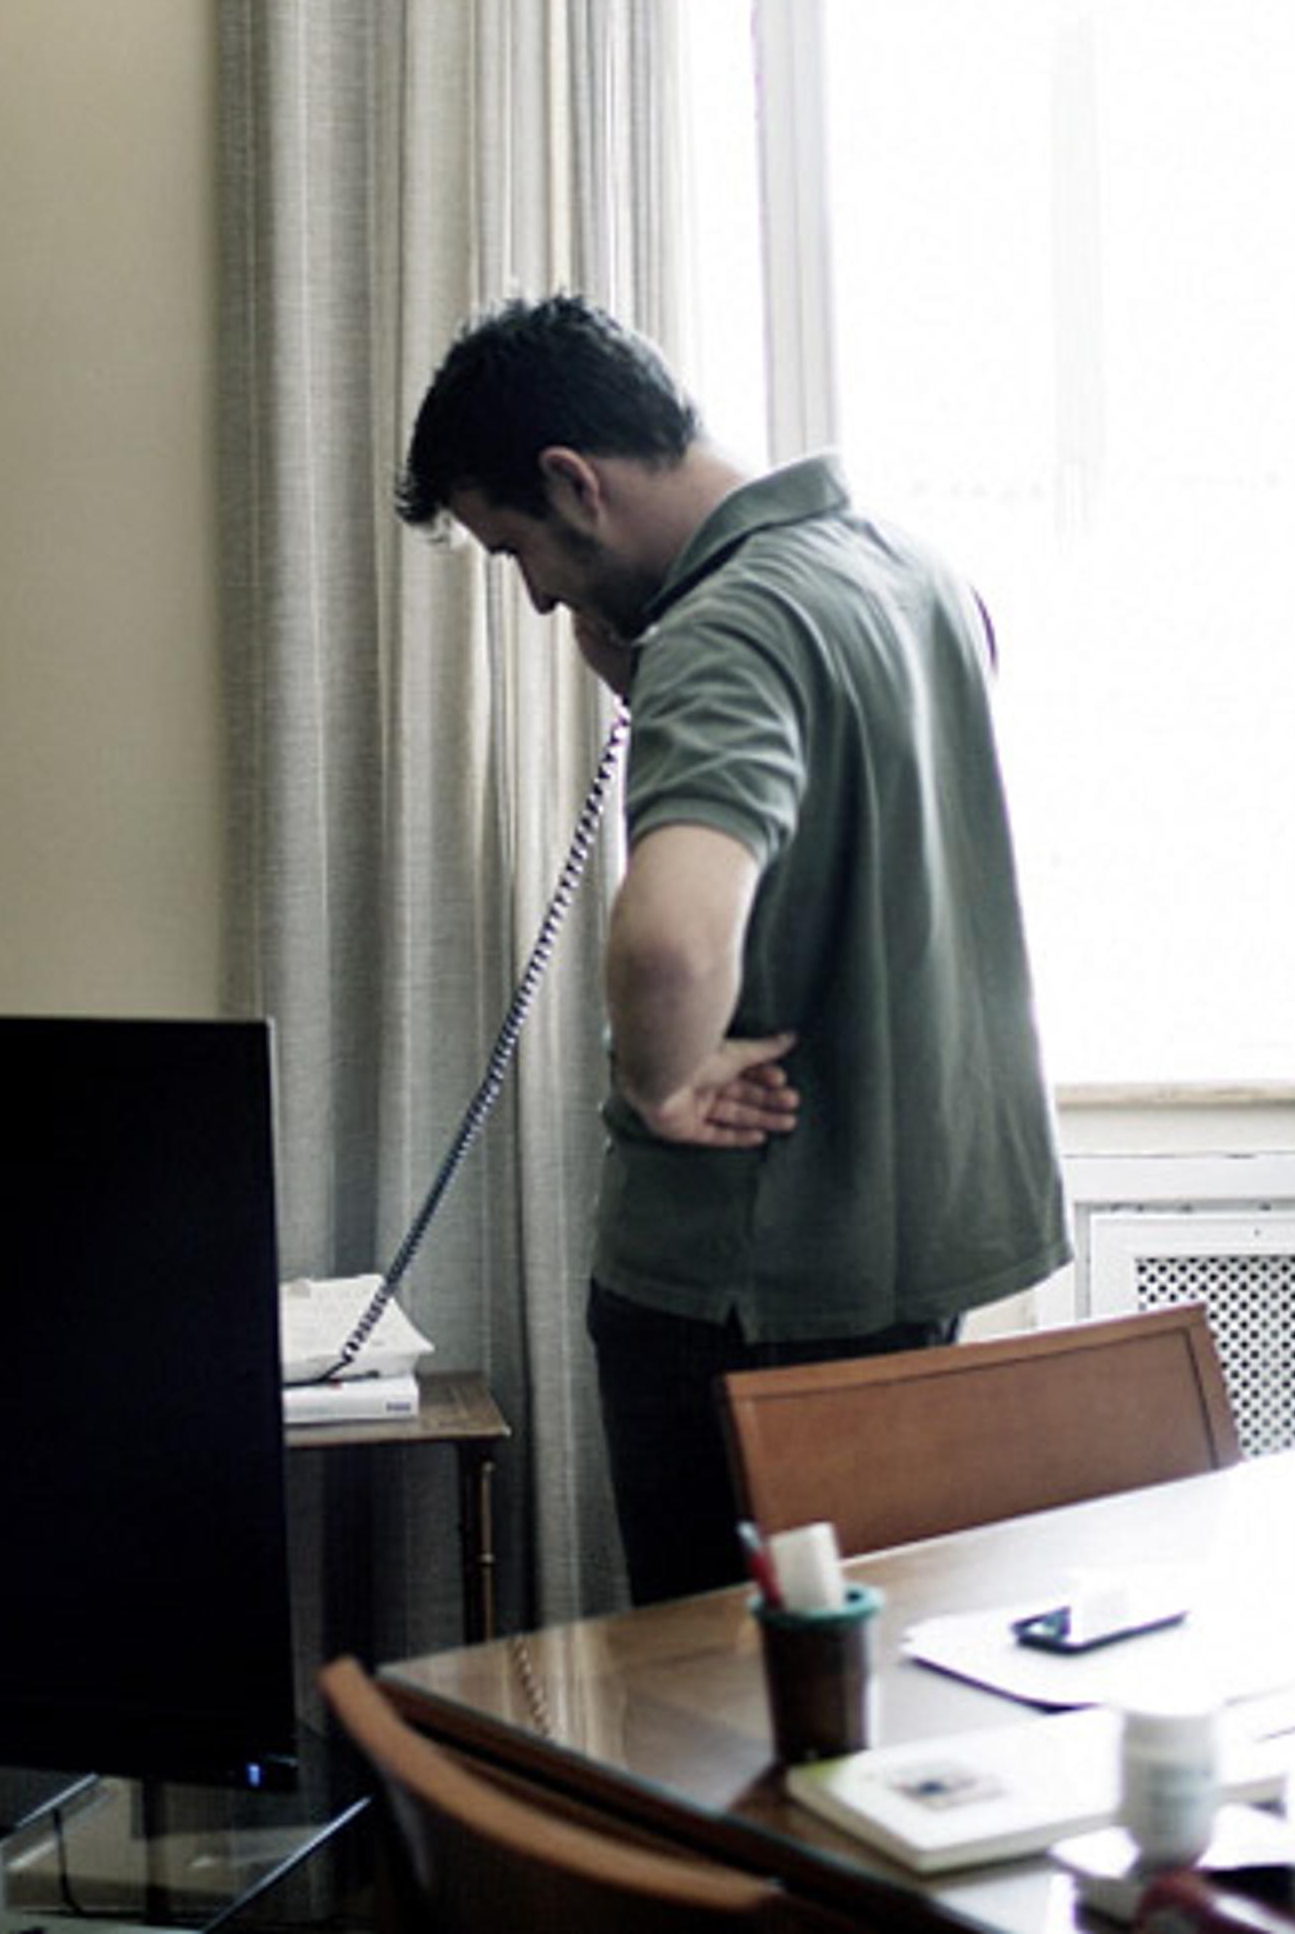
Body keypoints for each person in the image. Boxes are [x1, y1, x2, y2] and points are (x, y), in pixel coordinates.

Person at [395, 293, 1070, 1603]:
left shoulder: (726, 627)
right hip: (915, 1246)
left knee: (713, 1706)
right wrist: (646, 685)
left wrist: (662, 1083)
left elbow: (668, 940)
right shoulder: (911, 568)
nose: (534, 597)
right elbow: (850, 804)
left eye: (513, 549)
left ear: (572, 482)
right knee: (862, 1682)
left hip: (742, 1288)